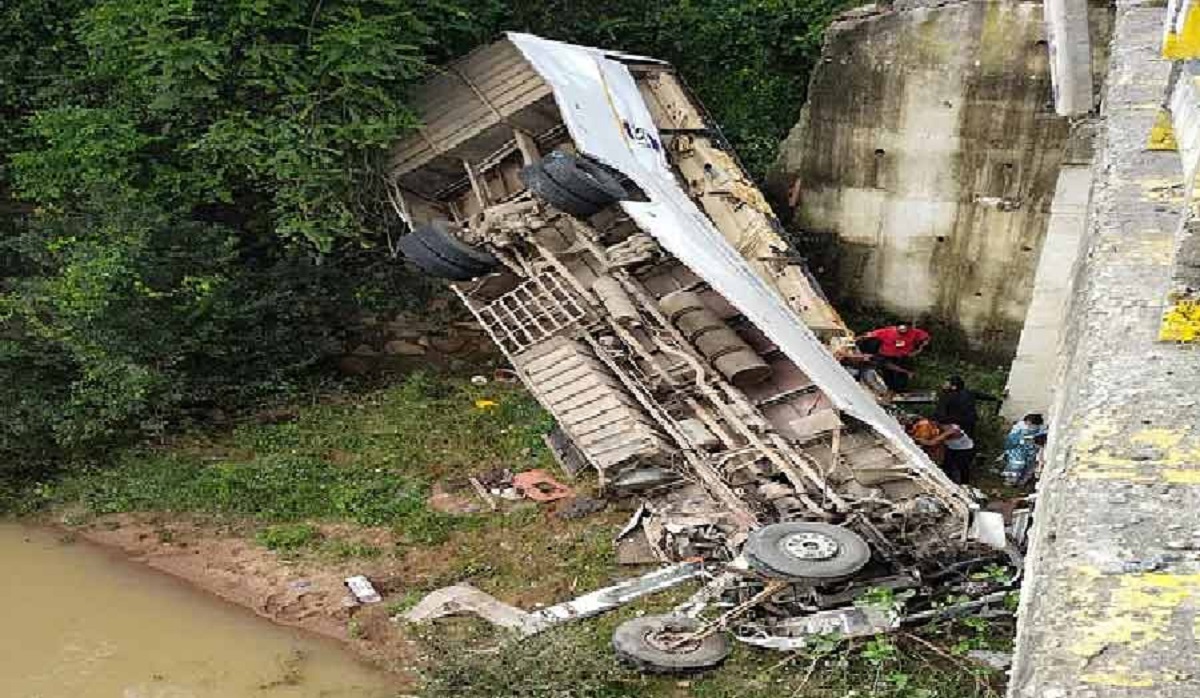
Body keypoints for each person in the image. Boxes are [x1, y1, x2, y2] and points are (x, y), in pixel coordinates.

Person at [863, 323, 930, 391]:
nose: (902, 331)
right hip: (886, 355)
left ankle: (898, 389)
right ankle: (889, 388)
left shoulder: (914, 332)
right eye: (900, 329)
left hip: (901, 356)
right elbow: (874, 333)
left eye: (905, 330)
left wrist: (920, 347)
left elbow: (925, 337)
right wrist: (869, 335)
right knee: (888, 372)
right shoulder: (889, 331)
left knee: (899, 375)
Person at [914, 420, 975, 484]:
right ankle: (948, 481)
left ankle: (964, 483)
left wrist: (916, 439)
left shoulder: (952, 429)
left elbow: (931, 442)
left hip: (965, 449)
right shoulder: (940, 429)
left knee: (962, 467)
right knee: (947, 465)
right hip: (952, 448)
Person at [1002, 414, 1047, 487]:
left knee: (1029, 466)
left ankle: (1022, 482)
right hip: (1018, 449)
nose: (1029, 426)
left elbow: (1041, 439)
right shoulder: (1019, 427)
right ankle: (1010, 480)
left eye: (1031, 425)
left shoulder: (1041, 429)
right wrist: (1021, 440)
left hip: (1031, 450)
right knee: (1017, 464)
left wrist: (1035, 441)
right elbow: (1011, 438)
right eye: (1027, 424)